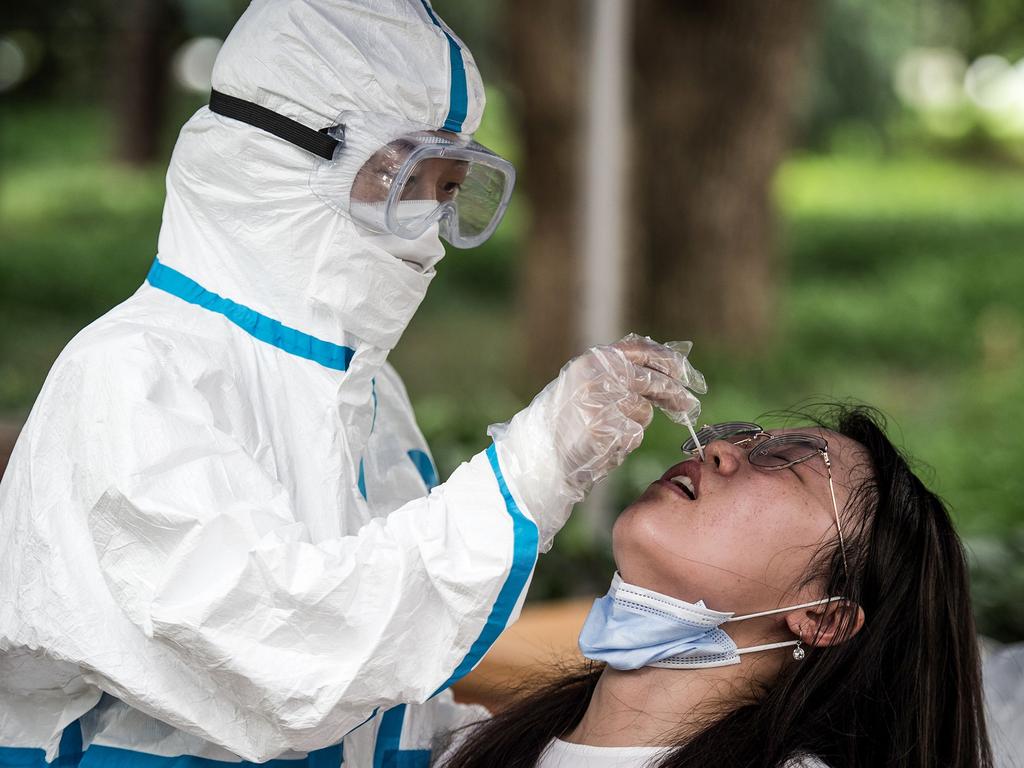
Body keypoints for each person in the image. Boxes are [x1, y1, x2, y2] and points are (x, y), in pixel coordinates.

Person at [0, 1, 706, 767]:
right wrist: (534, 468)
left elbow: (390, 700)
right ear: (283, 159)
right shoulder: (131, 376)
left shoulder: (370, 395)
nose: (431, 230)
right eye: (406, 180)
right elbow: (289, 662)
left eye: (447, 191)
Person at [439, 408, 994, 768]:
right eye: (746, 439)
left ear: (824, 618)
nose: (718, 451)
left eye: (783, 464)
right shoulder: (468, 747)